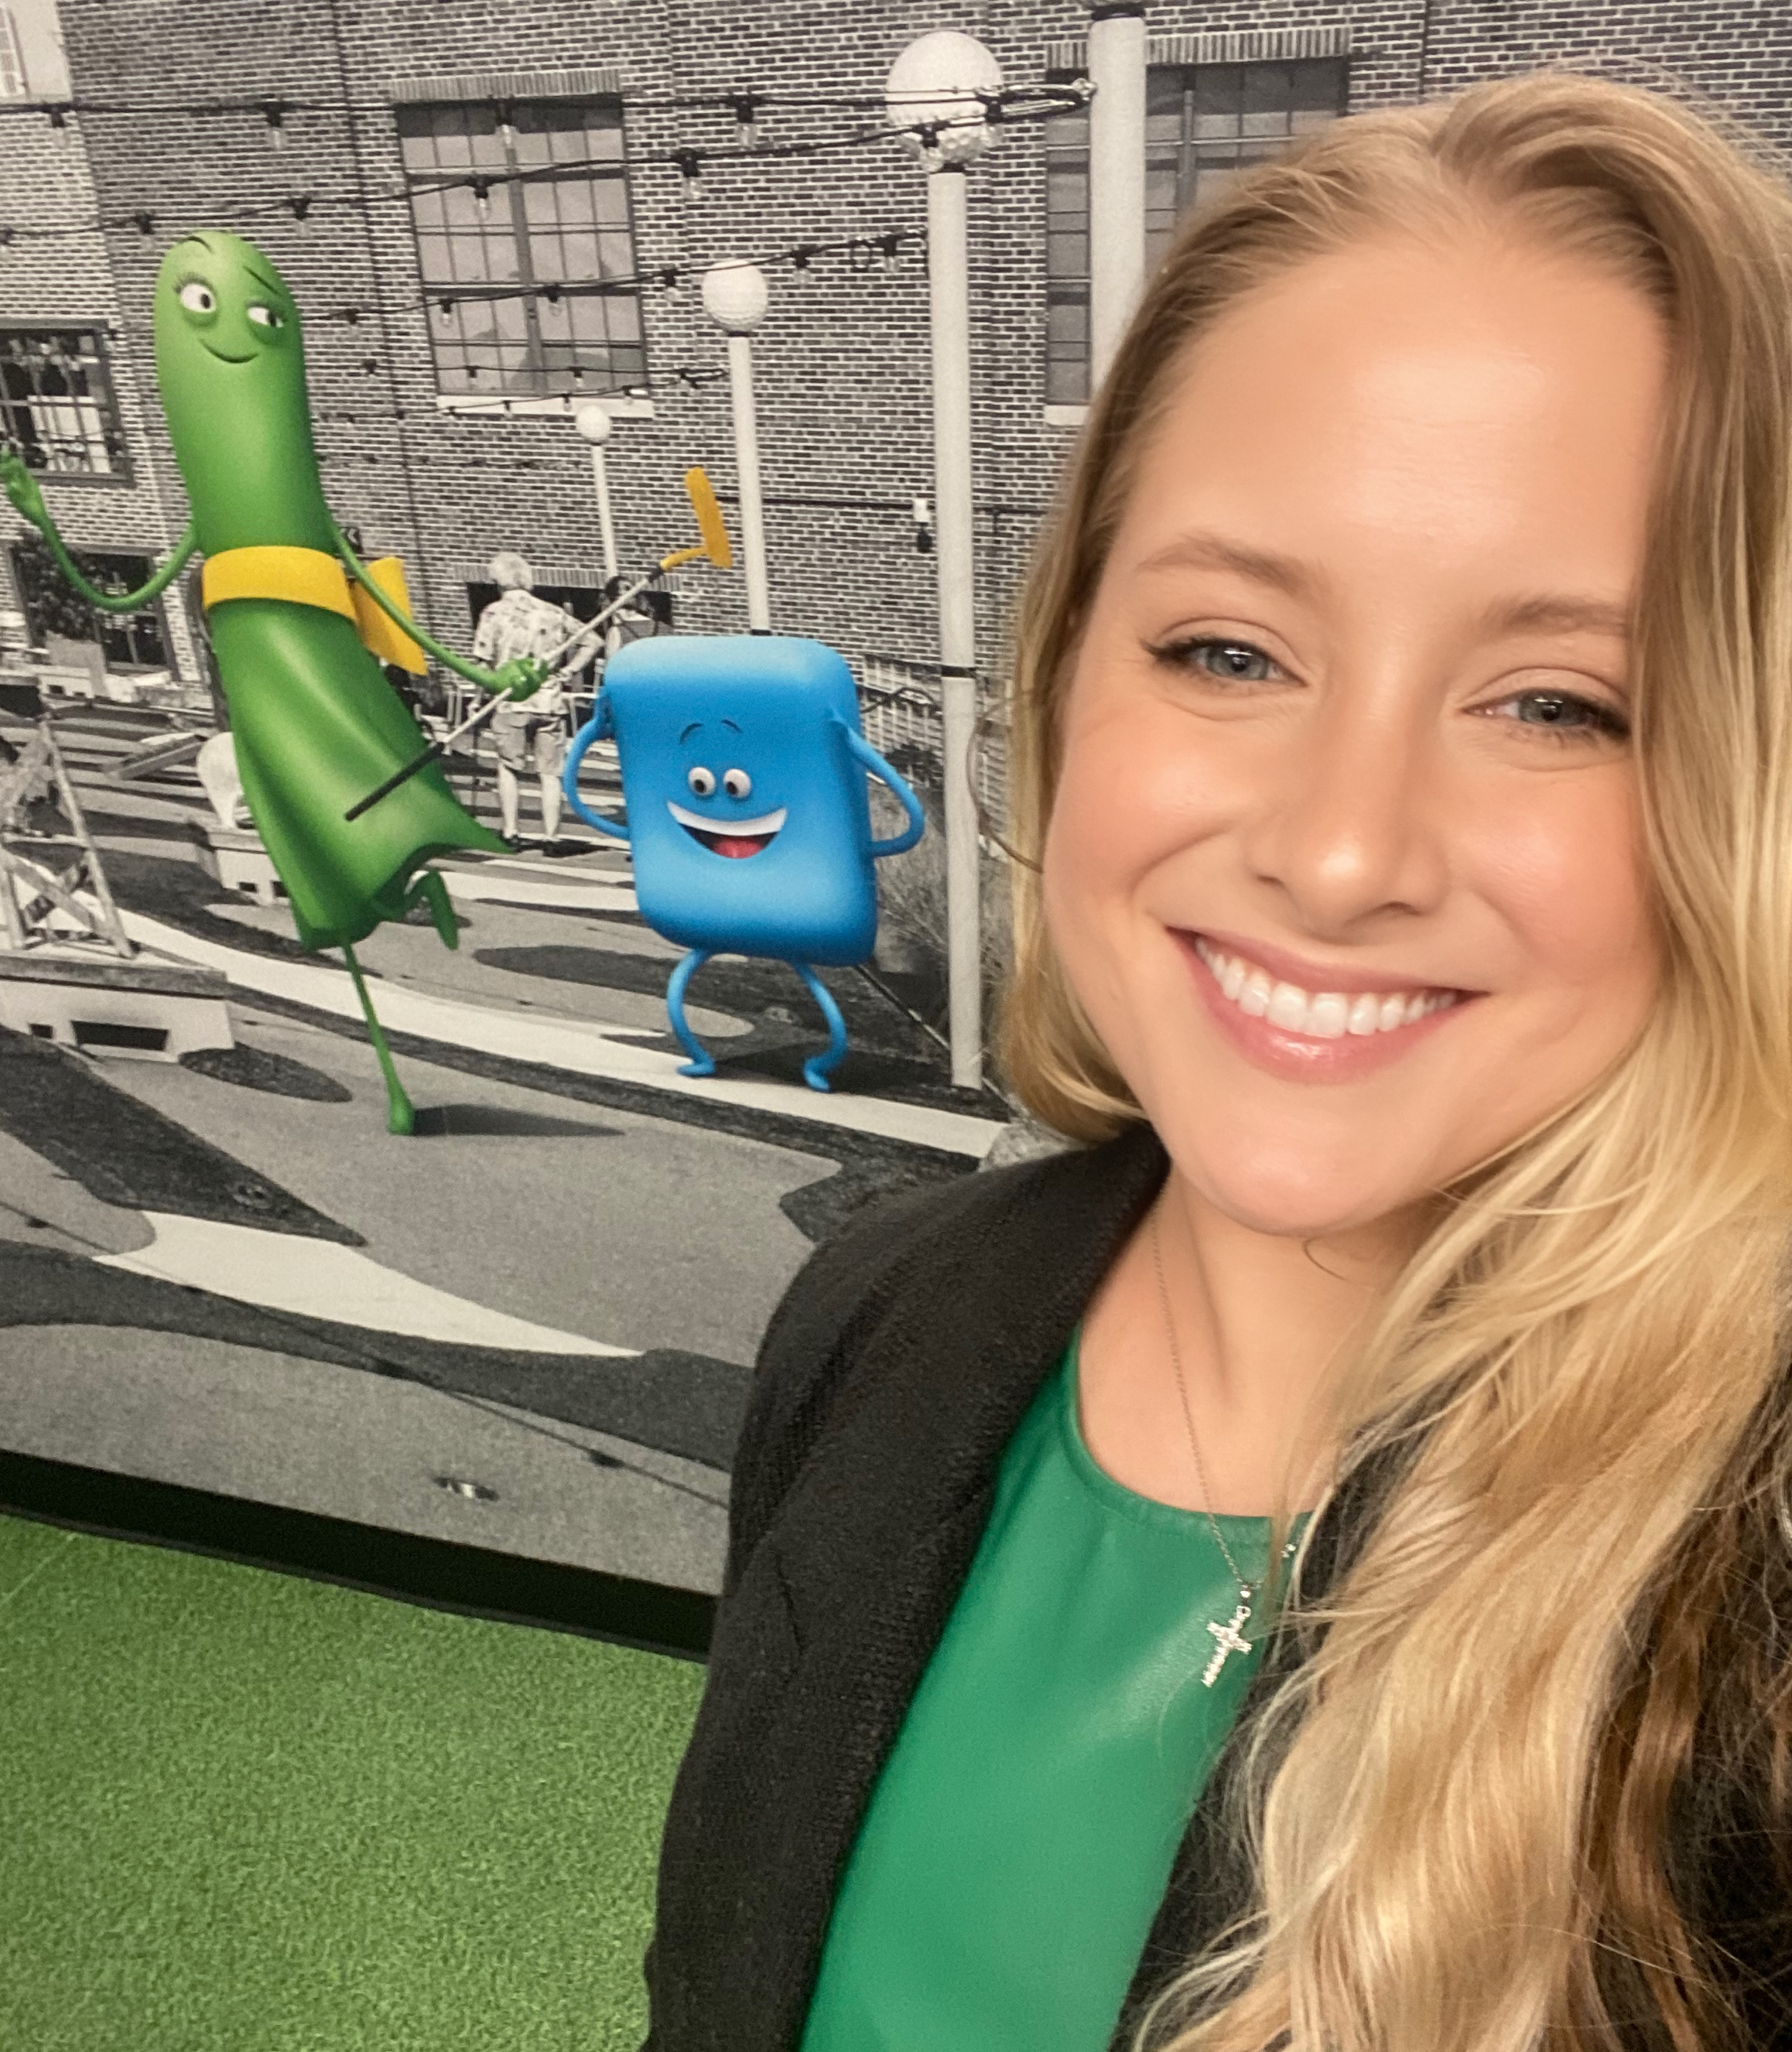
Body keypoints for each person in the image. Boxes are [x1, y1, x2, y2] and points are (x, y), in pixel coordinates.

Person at [641, 70, 1792, 2052]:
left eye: (1555, 701)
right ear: (1067, 666)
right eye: (1226, 652)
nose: (1338, 851)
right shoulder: (877, 1312)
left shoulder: (1744, 1609)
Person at [472, 550, 588, 848]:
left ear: (499, 581)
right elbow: (592, 639)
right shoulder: (553, 612)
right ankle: (551, 836)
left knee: (509, 766)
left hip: (511, 700)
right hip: (548, 700)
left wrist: (478, 698)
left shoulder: (493, 613)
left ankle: (511, 830)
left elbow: (484, 664)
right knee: (550, 772)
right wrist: (569, 671)